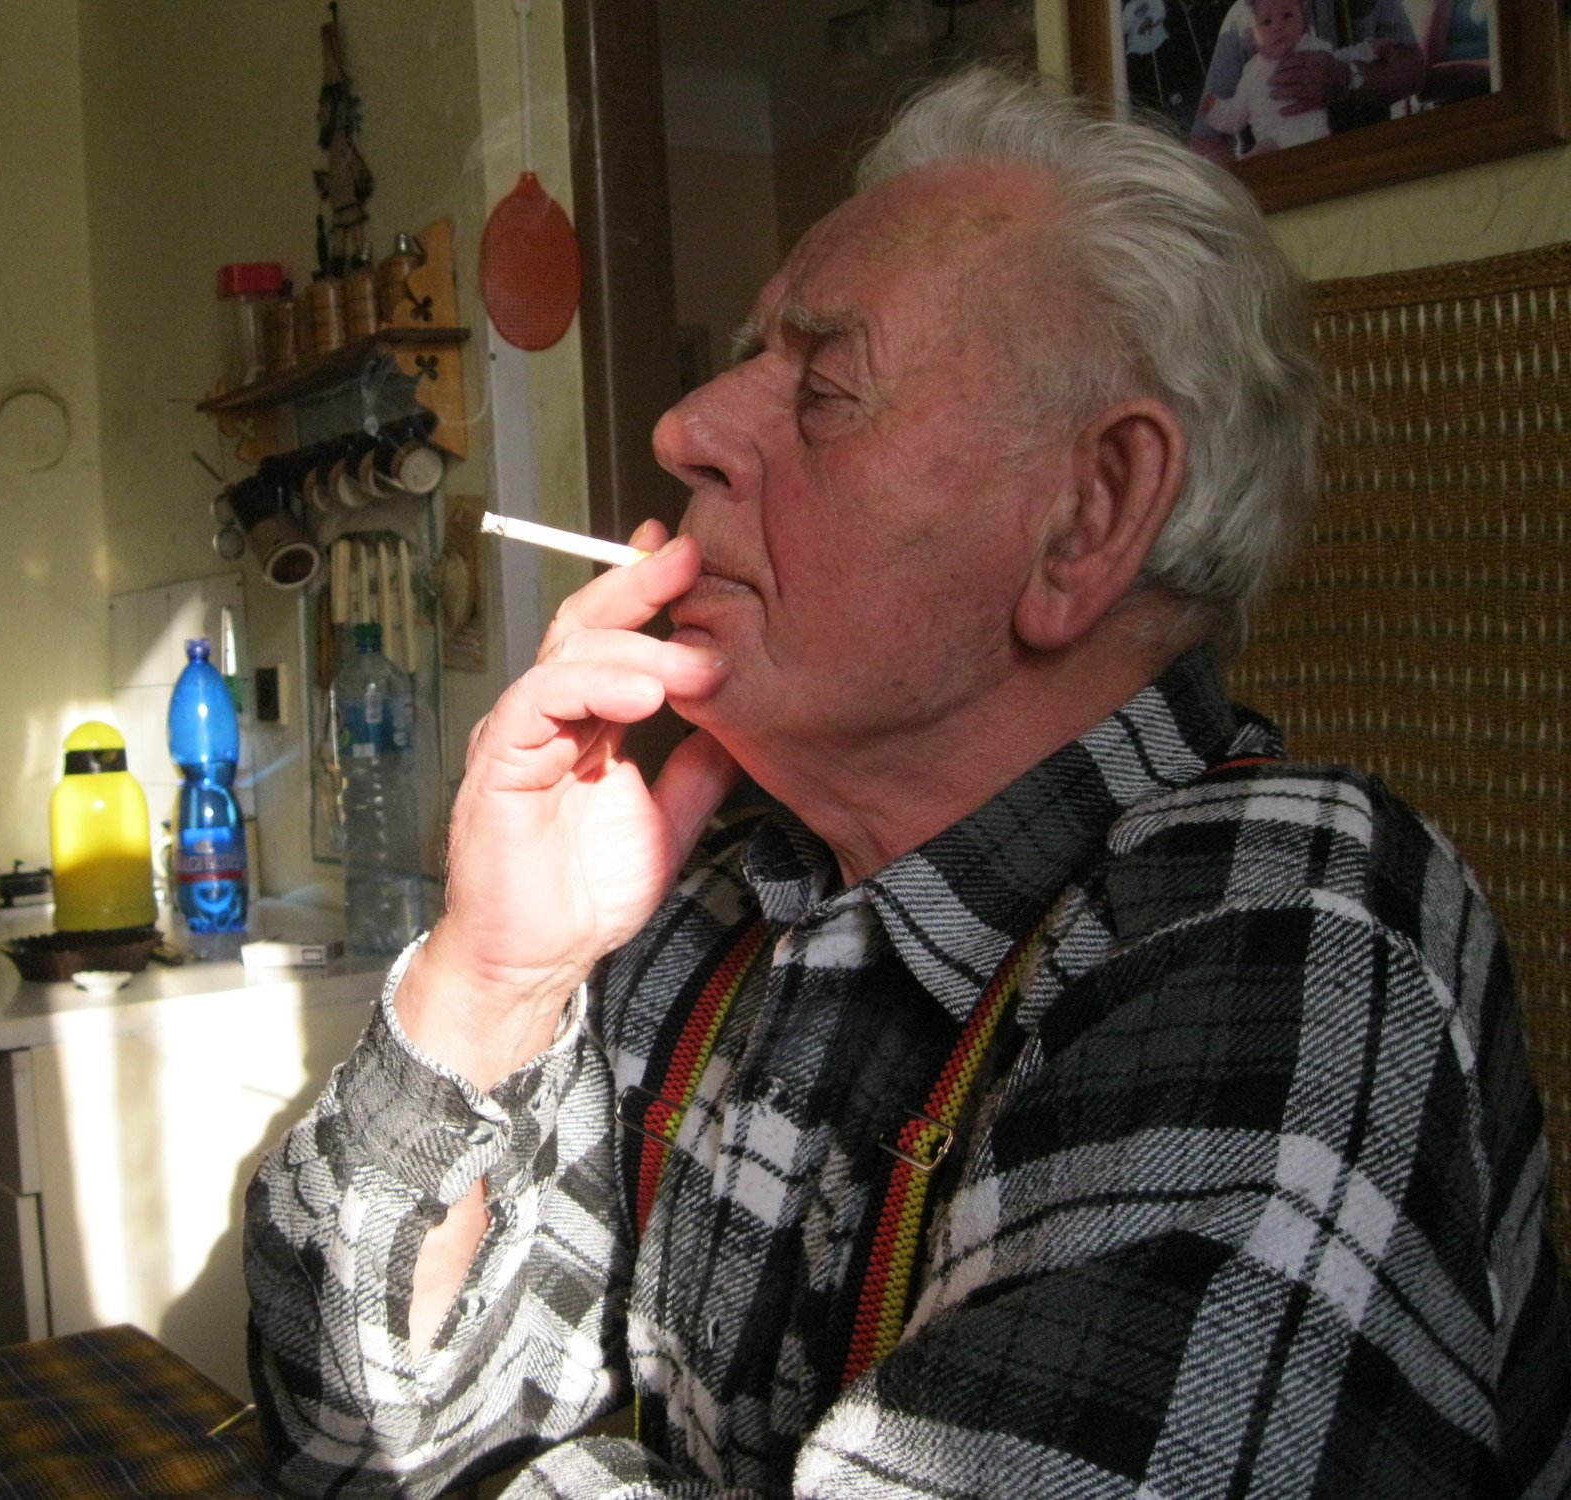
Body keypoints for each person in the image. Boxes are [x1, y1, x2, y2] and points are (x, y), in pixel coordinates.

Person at [246, 70, 1570, 1498]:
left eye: (823, 386)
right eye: (745, 362)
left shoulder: (1292, 925)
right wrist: (490, 982)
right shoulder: (714, 894)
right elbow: (352, 1441)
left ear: (1087, 517)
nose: (684, 428)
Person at [1189, 0, 1424, 160]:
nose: (1276, 26)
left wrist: (1350, 77)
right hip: (1277, 177)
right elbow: (1205, 142)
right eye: (1268, 22)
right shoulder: (1246, 16)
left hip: (1368, 158)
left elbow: (1414, 70)